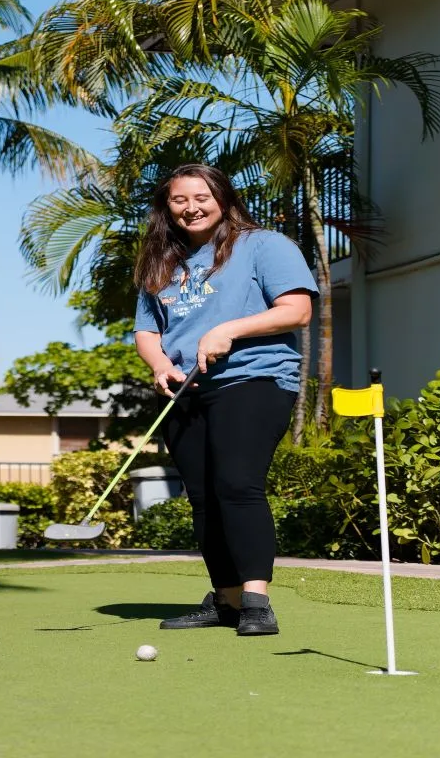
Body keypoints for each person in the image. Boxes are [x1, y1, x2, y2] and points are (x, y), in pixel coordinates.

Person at [132, 164, 317, 636]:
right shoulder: (161, 262)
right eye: (179, 200)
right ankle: (227, 600)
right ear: (167, 208)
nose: (191, 208)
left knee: (237, 484)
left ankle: (257, 602)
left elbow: (297, 310)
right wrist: (160, 365)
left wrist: (229, 329)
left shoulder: (264, 245)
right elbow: (147, 331)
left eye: (201, 197)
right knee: (203, 497)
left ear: (223, 198)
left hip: (254, 378)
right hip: (186, 389)